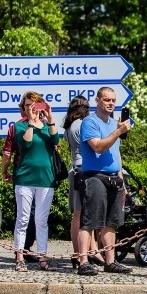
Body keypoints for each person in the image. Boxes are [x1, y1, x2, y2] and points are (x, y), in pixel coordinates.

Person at [76, 87, 133, 275]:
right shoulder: (90, 122)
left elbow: (115, 151)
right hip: (95, 176)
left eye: (113, 100)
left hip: (114, 178)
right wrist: (118, 132)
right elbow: (98, 147)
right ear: (97, 100)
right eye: (107, 100)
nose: (110, 103)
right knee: (90, 221)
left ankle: (110, 261)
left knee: (111, 221)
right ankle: (83, 261)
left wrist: (121, 173)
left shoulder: (113, 123)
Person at [12, 92, 60, 272]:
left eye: (34, 105)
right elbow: (26, 144)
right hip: (25, 179)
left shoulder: (48, 126)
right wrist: (31, 122)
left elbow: (55, 140)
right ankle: (20, 258)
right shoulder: (20, 126)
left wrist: (50, 117)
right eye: (27, 106)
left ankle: (42, 258)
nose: (31, 109)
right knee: (23, 219)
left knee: (41, 220)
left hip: (46, 180)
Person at [63, 95, 101, 269]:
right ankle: (80, 253)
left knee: (81, 213)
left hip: (74, 168)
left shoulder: (69, 126)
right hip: (84, 169)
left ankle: (89, 251)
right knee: (81, 214)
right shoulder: (83, 125)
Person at [1, 97, 37, 262]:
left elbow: (7, 153)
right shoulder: (41, 125)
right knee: (34, 214)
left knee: (24, 214)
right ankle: (25, 248)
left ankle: (23, 249)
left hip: (24, 173)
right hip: (35, 175)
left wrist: (4, 172)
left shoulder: (15, 127)